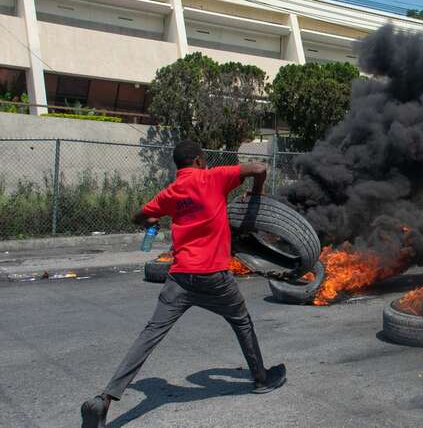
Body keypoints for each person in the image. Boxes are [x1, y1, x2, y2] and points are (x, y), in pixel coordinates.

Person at [81, 139, 285, 428]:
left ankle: (104, 399)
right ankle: (261, 378)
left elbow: (138, 215)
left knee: (150, 334)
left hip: (180, 277)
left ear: (178, 166)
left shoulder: (171, 192)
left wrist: (152, 222)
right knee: (241, 321)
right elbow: (259, 167)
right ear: (200, 161)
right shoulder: (214, 177)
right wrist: (256, 195)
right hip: (215, 276)